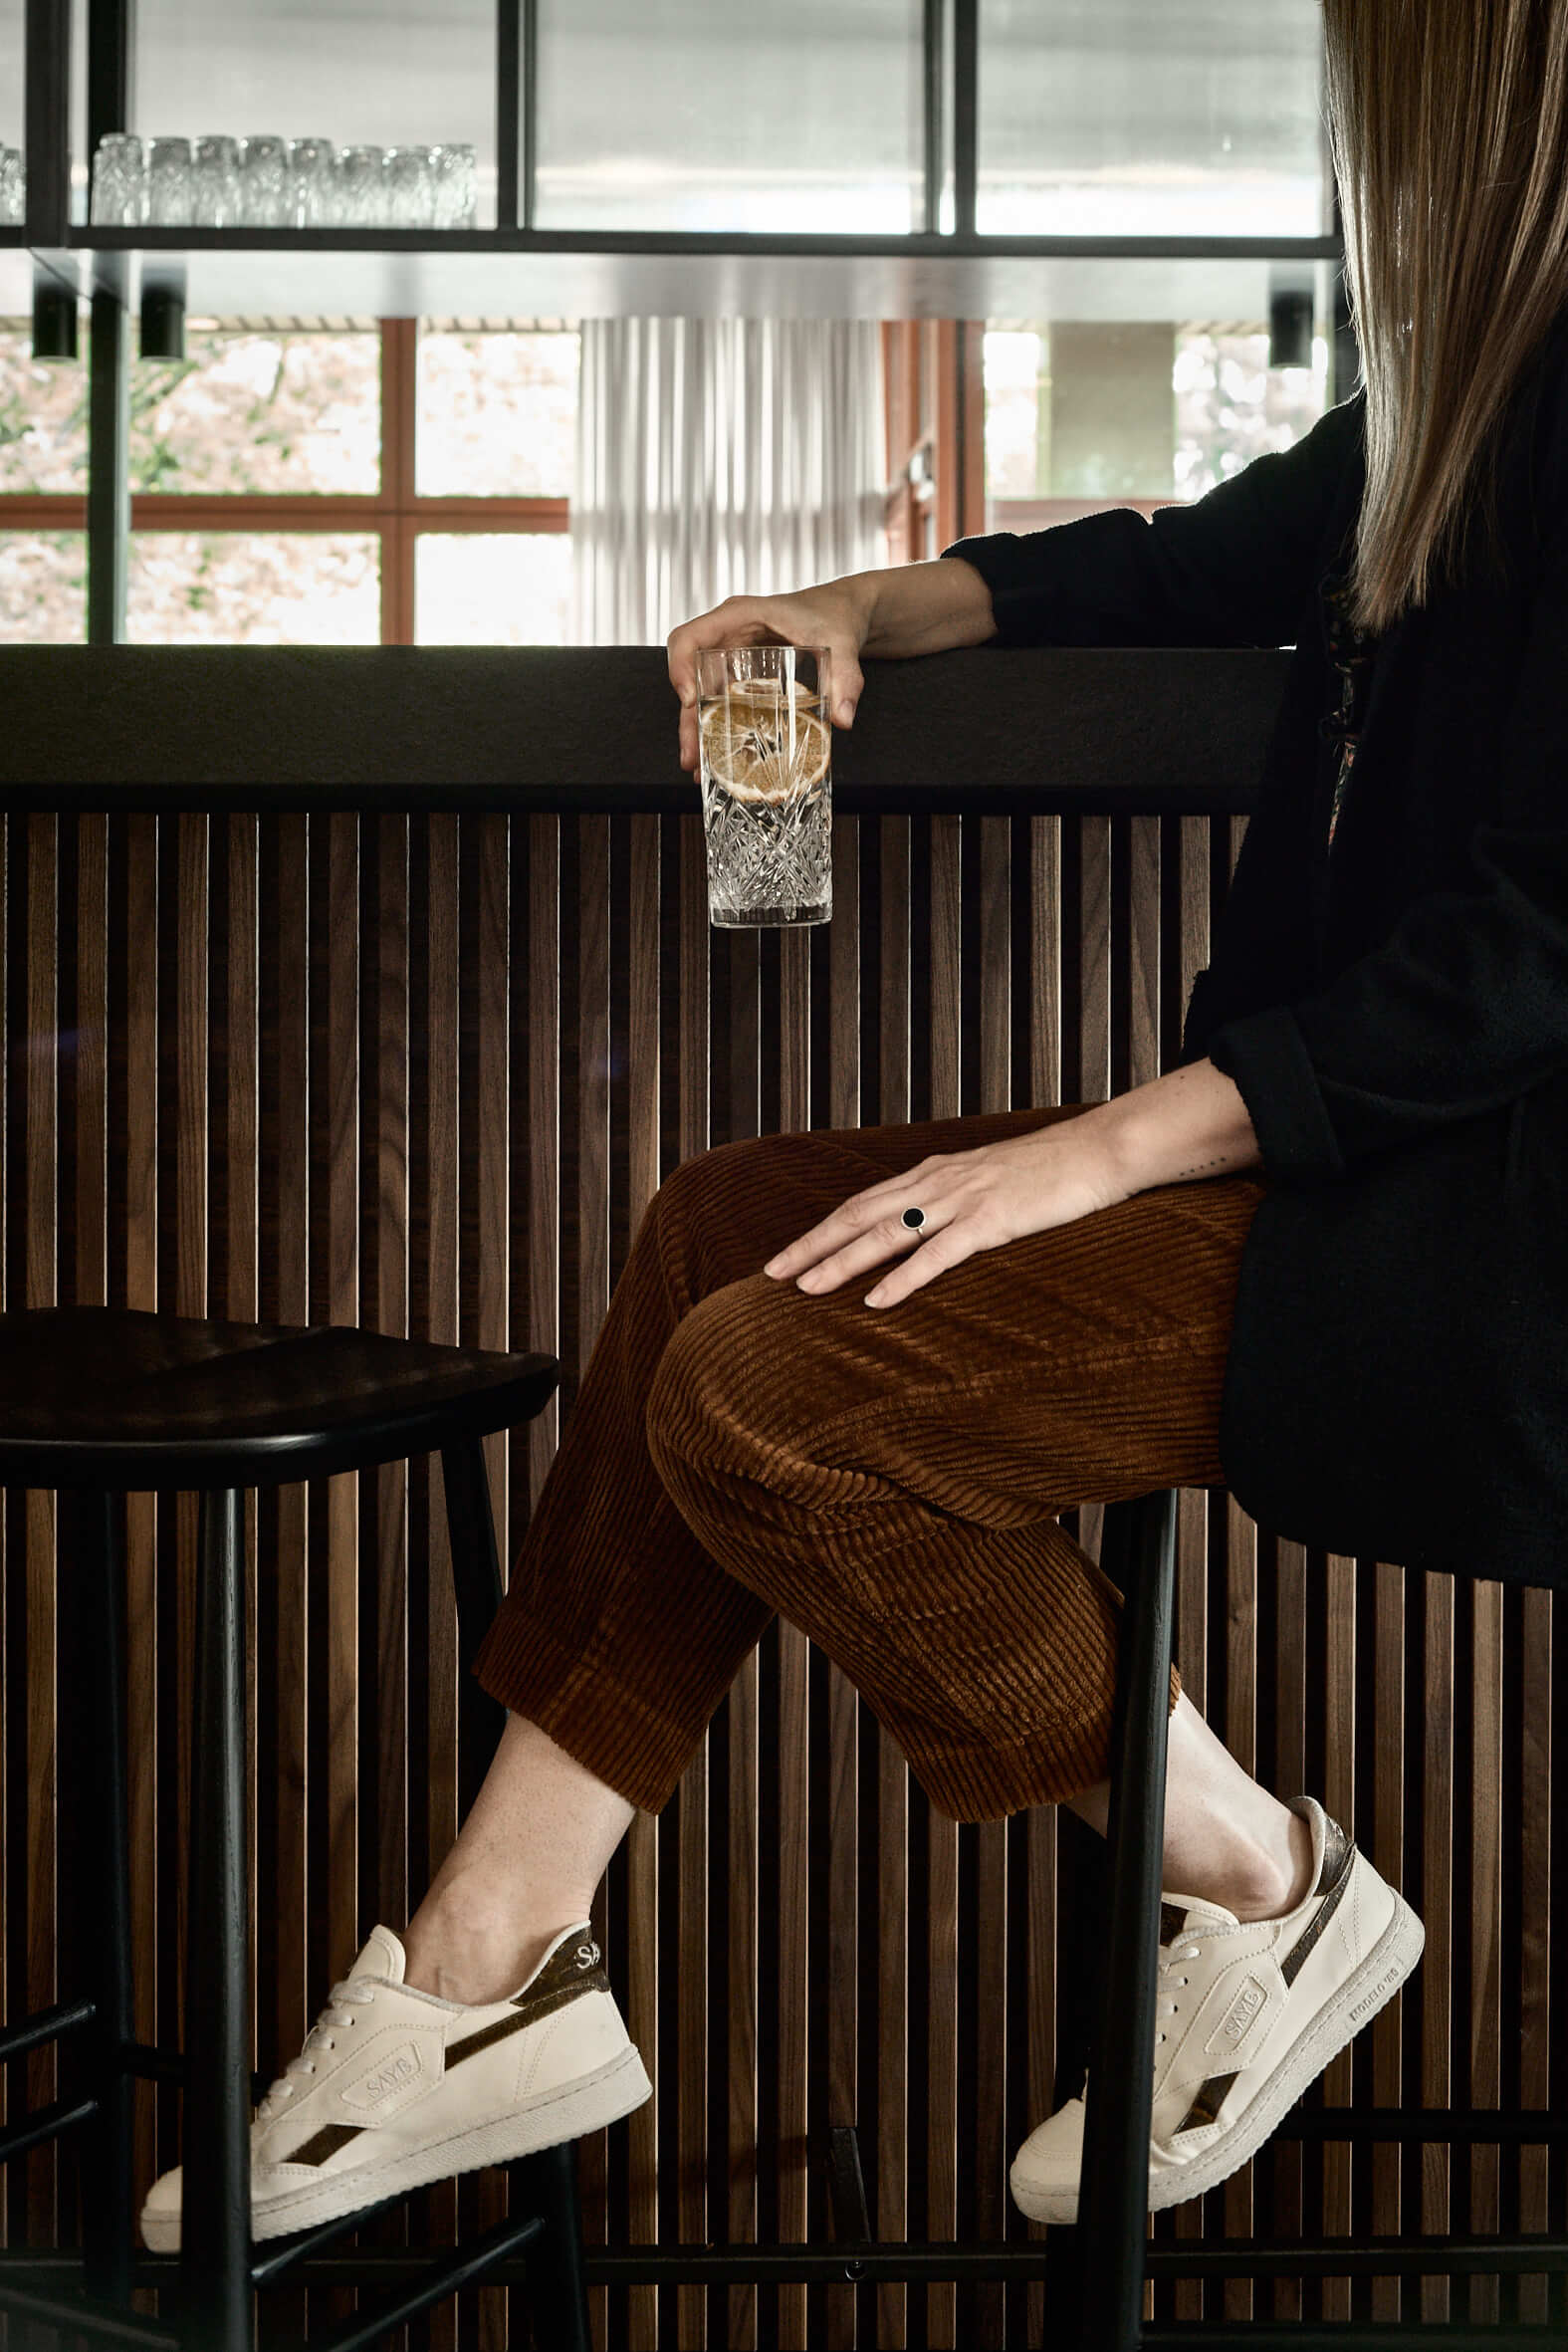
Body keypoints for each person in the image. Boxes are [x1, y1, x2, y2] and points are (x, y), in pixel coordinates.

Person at [145, 0, 1568, 2255]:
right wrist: (863, 604)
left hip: (1474, 1250)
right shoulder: (1471, 391)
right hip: (1338, 1180)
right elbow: (1176, 560)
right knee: (725, 1225)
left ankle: (1261, 1876)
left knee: (767, 1391)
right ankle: (482, 1959)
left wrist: (1092, 1143)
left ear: (1452, 90)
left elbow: (1536, 947)